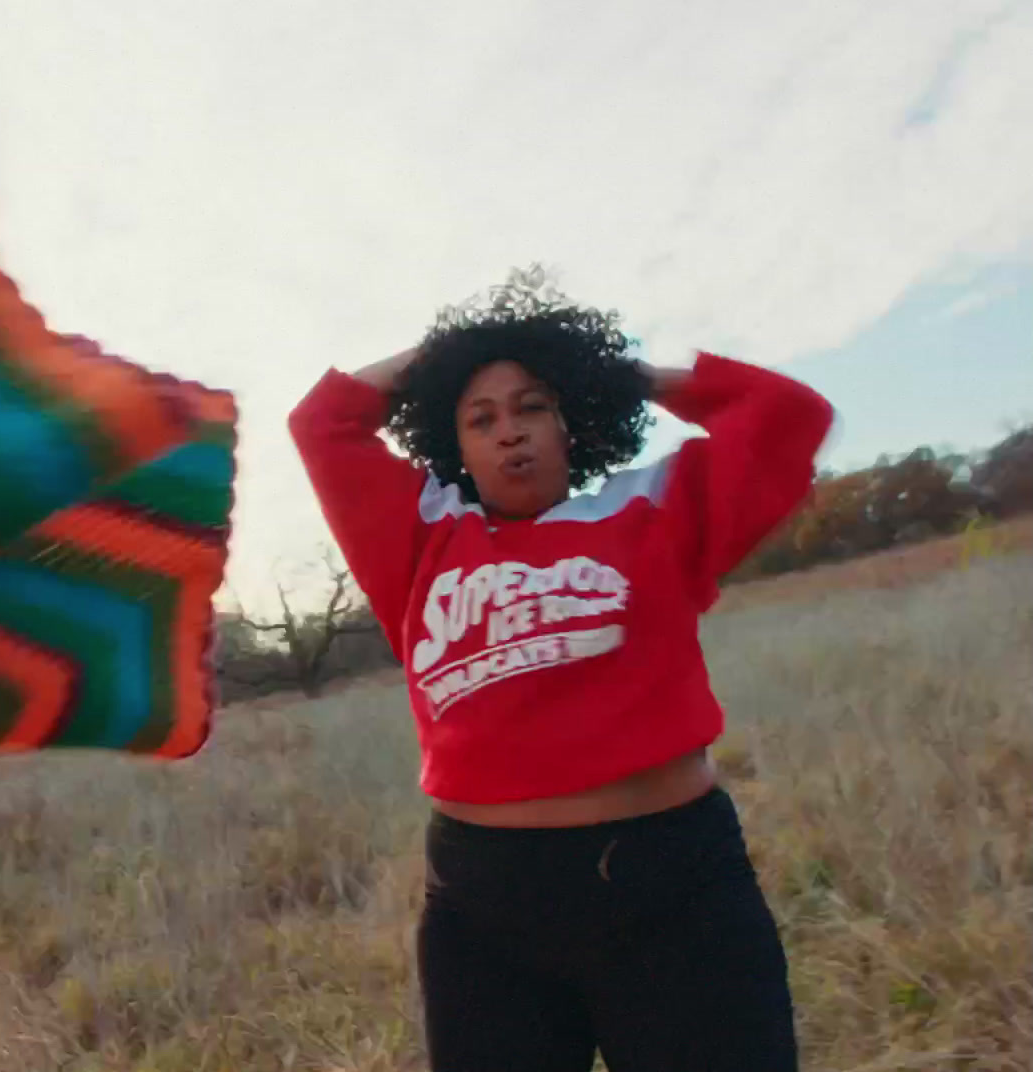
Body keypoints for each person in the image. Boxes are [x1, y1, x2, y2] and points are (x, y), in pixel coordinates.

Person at [287, 272, 835, 1072]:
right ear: (458, 446)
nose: (509, 432)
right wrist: (445, 354)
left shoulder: (656, 508)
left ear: (571, 424)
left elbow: (789, 417)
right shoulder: (419, 539)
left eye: (533, 405)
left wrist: (619, 371)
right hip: (483, 913)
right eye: (481, 418)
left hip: (672, 891)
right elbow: (323, 421)